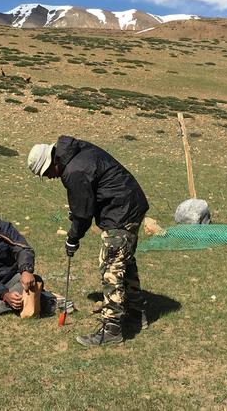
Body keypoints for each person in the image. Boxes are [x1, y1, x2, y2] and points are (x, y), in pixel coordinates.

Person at [27, 136, 149, 346]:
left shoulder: (73, 171)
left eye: (46, 173)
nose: (49, 178)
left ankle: (111, 329)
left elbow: (83, 213)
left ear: (51, 163)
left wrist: (73, 238)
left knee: (110, 267)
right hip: (130, 204)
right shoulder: (75, 151)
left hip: (120, 211)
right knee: (124, 262)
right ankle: (135, 314)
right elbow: (86, 201)